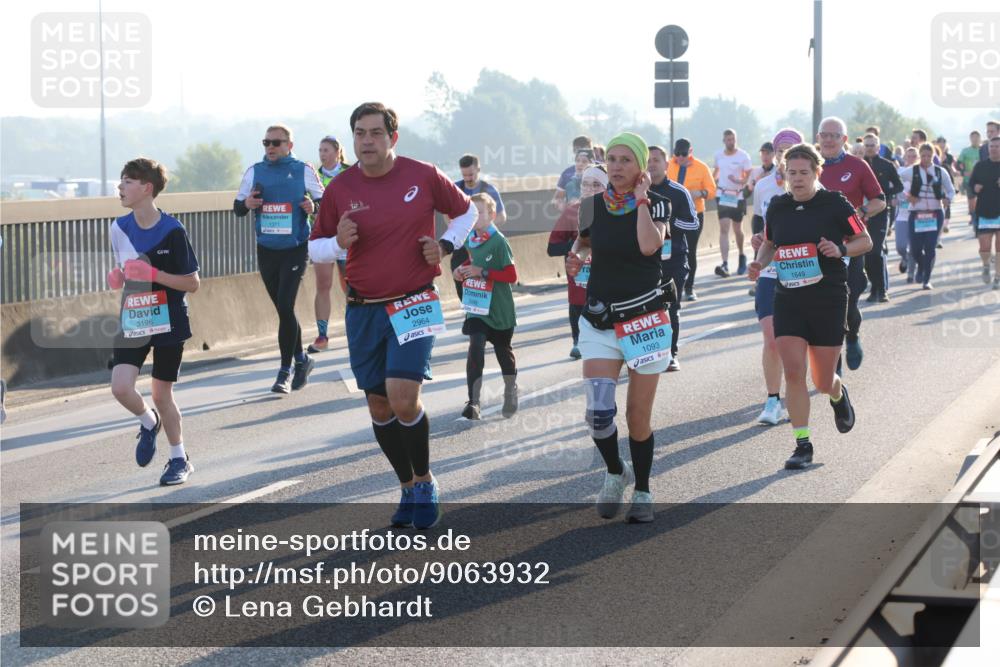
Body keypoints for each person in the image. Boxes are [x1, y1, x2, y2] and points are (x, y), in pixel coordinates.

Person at [308, 102, 477, 530]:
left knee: (403, 395)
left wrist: (445, 246)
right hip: (363, 309)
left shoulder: (422, 175)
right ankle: (406, 485)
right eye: (360, 134)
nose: (367, 141)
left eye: (375, 133)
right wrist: (338, 244)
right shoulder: (340, 189)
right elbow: (314, 248)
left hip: (413, 300)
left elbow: (467, 211)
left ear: (392, 138)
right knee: (380, 407)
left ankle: (425, 481)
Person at [565, 132, 671, 523]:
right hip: (599, 320)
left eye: (626, 159)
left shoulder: (659, 204)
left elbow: (648, 246)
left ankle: (643, 488)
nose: (617, 166)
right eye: (612, 159)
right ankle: (615, 472)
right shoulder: (591, 206)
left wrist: (642, 199)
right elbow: (583, 243)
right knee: (598, 413)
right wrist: (574, 259)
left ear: (640, 166)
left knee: (637, 417)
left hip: (645, 321)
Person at [748, 143, 872, 470]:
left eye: (805, 172)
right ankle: (802, 445)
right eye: (792, 173)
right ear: (784, 175)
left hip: (828, 298)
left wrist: (841, 248)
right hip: (788, 297)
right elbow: (771, 244)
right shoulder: (778, 206)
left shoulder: (835, 203)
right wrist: (759, 264)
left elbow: (865, 241)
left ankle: (837, 393)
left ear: (817, 173)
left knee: (821, 379)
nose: (798, 178)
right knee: (793, 371)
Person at [108, 158, 200, 485]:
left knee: (162, 394)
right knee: (120, 387)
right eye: (121, 181)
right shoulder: (118, 228)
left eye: (128, 181)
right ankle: (148, 422)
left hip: (169, 318)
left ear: (147, 188)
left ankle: (179, 459)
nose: (120, 187)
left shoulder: (173, 231)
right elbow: (127, 270)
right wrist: (119, 277)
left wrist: (153, 274)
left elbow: (192, 283)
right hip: (134, 315)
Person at [234, 124, 324, 393]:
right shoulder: (254, 171)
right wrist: (247, 204)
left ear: (289, 145)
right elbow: (237, 208)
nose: (270, 148)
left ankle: (284, 371)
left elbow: (326, 202)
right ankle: (301, 358)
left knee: (286, 304)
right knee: (284, 310)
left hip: (295, 247)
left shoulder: (303, 170)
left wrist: (313, 206)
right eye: (266, 143)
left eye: (276, 143)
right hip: (266, 248)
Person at [816, 116, 886, 371]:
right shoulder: (809, 167)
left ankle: (853, 336)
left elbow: (880, 200)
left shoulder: (857, 166)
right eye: (824, 134)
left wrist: (863, 210)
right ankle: (833, 360)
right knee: (824, 306)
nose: (828, 139)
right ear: (818, 138)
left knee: (848, 304)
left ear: (844, 140)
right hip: (819, 249)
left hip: (852, 245)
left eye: (834, 135)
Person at [749, 129, 804, 426]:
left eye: (791, 148)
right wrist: (757, 240)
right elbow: (759, 223)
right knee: (771, 338)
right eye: (780, 149)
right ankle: (773, 401)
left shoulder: (816, 187)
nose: (784, 153)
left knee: (799, 341)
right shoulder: (763, 186)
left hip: (805, 273)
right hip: (771, 271)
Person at [454, 193, 519, 420]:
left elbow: (512, 275)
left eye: (480, 212)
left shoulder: (499, 241)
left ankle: (510, 392)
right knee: (476, 347)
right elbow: (470, 263)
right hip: (477, 308)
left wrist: (483, 273)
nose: (476, 217)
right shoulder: (470, 239)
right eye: (472, 213)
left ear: (491, 215)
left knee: (504, 352)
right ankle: (473, 402)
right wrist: (460, 271)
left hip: (499, 308)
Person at [548, 166, 608, 359]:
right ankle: (577, 341)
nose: (589, 189)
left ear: (608, 186)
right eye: (585, 184)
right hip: (579, 281)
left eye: (596, 184)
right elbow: (552, 247)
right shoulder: (572, 212)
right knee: (578, 306)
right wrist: (578, 248)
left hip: (609, 280)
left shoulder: (618, 210)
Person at [648, 144, 698, 372]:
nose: (651, 164)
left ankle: (671, 353)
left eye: (656, 160)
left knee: (671, 306)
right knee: (647, 309)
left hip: (674, 258)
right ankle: (649, 353)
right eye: (647, 160)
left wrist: (667, 223)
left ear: (667, 164)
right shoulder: (637, 192)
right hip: (646, 260)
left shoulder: (678, 192)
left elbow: (693, 223)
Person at [308, 135, 351, 354]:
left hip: (346, 237)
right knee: (322, 286)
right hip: (324, 236)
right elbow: (310, 204)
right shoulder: (313, 176)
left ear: (337, 151)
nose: (322, 154)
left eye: (326, 150)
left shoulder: (352, 172)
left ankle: (355, 330)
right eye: (320, 150)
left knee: (350, 286)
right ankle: (322, 336)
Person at [899, 143, 956, 289]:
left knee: (930, 247)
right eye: (923, 155)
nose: (926, 159)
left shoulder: (940, 171)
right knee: (915, 248)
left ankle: (926, 279)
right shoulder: (911, 171)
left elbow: (951, 190)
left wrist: (947, 199)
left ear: (933, 156)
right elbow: (897, 183)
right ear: (920, 155)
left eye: (929, 156)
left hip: (935, 214)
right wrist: (907, 196)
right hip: (916, 214)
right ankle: (923, 266)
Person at [451, 154, 506, 300]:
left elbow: (501, 216)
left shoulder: (489, 189)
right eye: (464, 175)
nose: (468, 178)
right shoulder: (455, 188)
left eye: (471, 174)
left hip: (486, 245)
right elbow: (446, 213)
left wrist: (484, 228)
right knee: (462, 286)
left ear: (479, 169)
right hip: (463, 245)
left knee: (488, 288)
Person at [667, 138, 717, 300]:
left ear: (690, 152)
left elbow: (712, 190)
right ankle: (671, 286)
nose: (680, 158)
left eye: (683, 154)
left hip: (694, 214)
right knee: (670, 250)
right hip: (671, 215)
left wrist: (700, 193)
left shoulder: (701, 167)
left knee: (690, 250)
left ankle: (689, 288)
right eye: (677, 154)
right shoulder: (668, 165)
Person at [862, 133, 905, 303]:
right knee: (865, 251)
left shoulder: (887, 165)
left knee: (876, 250)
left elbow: (899, 185)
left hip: (881, 212)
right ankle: (874, 287)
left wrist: (890, 194)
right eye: (867, 145)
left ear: (878, 147)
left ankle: (881, 289)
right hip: (862, 213)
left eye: (872, 145)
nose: (869, 148)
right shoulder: (859, 164)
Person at [713, 129, 753, 277]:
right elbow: (716, 173)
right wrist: (712, 183)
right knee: (724, 228)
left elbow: (747, 177)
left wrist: (738, 181)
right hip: (722, 195)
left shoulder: (743, 156)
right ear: (724, 141)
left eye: (733, 139)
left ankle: (742, 255)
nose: (731, 142)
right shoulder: (718, 155)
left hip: (737, 196)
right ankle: (725, 264)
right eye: (728, 139)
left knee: (737, 229)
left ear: (736, 140)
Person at [968, 135, 1000, 289]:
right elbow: (971, 183)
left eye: (997, 147)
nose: (994, 149)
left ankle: (998, 277)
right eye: (991, 147)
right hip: (985, 212)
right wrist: (974, 188)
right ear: (988, 149)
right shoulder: (980, 166)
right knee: (985, 247)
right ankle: (986, 264)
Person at [894, 147, 919, 282]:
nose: (911, 158)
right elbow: (893, 187)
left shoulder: (921, 172)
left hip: (917, 214)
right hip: (902, 215)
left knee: (914, 246)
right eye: (909, 156)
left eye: (914, 156)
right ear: (904, 157)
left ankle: (911, 273)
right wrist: (894, 198)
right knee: (901, 246)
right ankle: (905, 257)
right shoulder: (899, 172)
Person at [553, 135, 593, 210]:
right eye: (578, 150)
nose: (582, 153)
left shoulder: (602, 170)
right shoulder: (567, 173)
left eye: (585, 150)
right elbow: (557, 199)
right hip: (573, 217)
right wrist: (563, 206)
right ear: (574, 151)